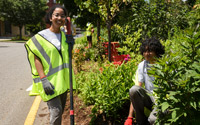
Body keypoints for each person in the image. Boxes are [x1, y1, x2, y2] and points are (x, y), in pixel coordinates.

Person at [25, 5, 76, 125]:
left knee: (60, 111)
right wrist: (43, 79)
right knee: (56, 112)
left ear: (65, 19)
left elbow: (66, 58)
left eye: (62, 16)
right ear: (50, 17)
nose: (59, 18)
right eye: (56, 15)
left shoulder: (65, 36)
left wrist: (71, 42)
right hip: (49, 82)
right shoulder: (42, 36)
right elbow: (36, 56)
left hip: (62, 82)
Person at [124, 37, 165, 125]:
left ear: (157, 51)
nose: (147, 54)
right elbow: (136, 91)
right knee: (134, 89)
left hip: (162, 99)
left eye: (150, 51)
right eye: (145, 51)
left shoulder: (164, 64)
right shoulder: (142, 65)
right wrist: (130, 117)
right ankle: (140, 122)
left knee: (152, 120)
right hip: (149, 98)